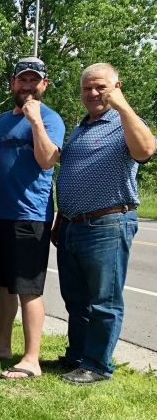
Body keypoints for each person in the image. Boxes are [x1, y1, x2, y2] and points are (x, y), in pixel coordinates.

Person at [53, 63, 155, 384]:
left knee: (104, 301)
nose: (93, 93)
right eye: (87, 88)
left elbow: (146, 150)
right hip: (72, 224)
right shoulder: (81, 126)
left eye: (101, 87)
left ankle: (97, 365)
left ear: (116, 86)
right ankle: (78, 355)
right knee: (76, 298)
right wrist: (61, 218)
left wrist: (122, 105)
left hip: (108, 223)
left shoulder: (125, 121)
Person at [0, 57, 65, 380]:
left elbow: (46, 161)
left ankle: (31, 358)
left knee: (28, 288)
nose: (27, 86)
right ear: (13, 83)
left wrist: (36, 121)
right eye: (22, 80)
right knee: (1, 284)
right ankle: (2, 345)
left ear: (44, 84)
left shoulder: (51, 119)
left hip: (31, 216)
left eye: (34, 80)